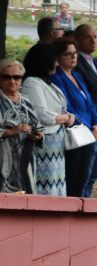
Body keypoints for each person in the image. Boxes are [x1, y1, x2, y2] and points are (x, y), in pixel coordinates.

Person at [50, 36, 97, 197]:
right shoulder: (56, 77)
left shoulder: (77, 76)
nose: (73, 57)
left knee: (86, 177)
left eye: (75, 53)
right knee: (74, 178)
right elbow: (66, 107)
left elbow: (90, 103)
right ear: (57, 57)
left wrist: (96, 124)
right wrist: (86, 126)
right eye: (68, 54)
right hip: (75, 134)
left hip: (89, 133)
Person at [20, 44, 72, 196]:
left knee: (56, 187)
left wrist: (64, 116)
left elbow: (58, 110)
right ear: (44, 61)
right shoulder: (32, 82)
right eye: (54, 60)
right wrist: (67, 118)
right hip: (45, 144)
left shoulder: (48, 83)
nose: (57, 63)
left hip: (56, 145)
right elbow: (43, 116)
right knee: (45, 189)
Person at [73, 24, 97, 198]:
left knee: (94, 174)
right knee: (85, 174)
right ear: (76, 40)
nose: (93, 40)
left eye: (95, 37)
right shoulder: (77, 65)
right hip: (92, 126)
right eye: (87, 37)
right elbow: (88, 98)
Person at [0, 59, 42, 193]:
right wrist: (11, 131)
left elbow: (37, 125)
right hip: (3, 160)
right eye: (7, 77)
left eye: (16, 77)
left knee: (26, 199)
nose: (12, 81)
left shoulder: (26, 100)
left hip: (25, 159)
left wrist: (37, 135)